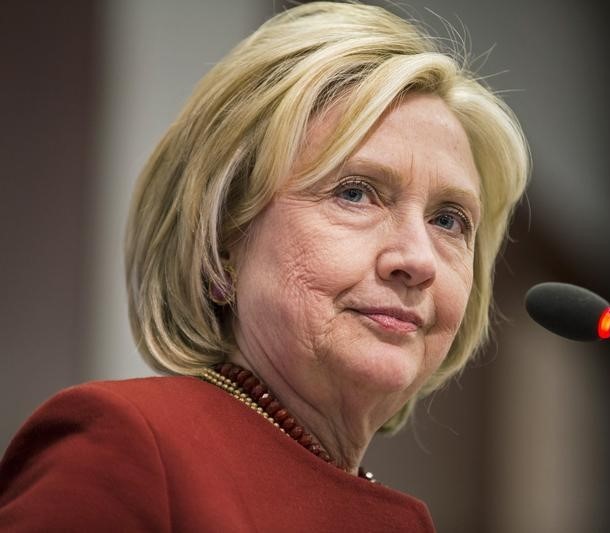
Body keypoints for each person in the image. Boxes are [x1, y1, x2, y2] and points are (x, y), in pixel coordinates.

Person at [0, 2, 529, 530]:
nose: (416, 259)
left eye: (449, 220)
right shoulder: (127, 446)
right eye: (355, 193)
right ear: (224, 241)